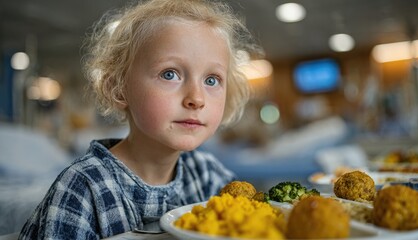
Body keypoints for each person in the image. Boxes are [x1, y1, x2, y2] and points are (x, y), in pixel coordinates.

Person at [18, 0, 259, 239]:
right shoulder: (83, 188)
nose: (197, 98)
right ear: (120, 89)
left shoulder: (209, 174)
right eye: (170, 74)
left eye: (211, 80)